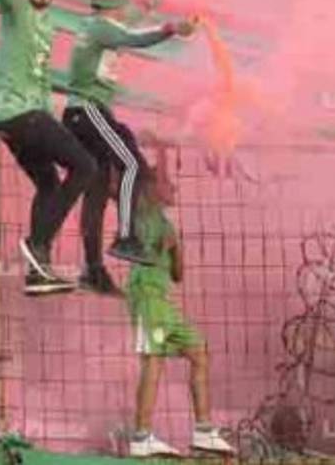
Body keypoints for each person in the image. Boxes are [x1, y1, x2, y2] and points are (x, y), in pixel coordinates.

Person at [63, 0, 198, 294]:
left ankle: (93, 269)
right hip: (89, 110)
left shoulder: (99, 26)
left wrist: (149, 6)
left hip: (84, 114)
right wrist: (171, 29)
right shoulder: (102, 28)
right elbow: (135, 38)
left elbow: (128, 27)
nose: (125, 11)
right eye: (122, 5)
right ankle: (125, 239)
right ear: (113, 5)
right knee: (133, 164)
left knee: (96, 191)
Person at [0, 0, 96, 296]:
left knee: (48, 183)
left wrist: (57, 116)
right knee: (86, 166)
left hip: (25, 117)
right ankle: (37, 247)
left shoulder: (49, 25)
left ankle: (37, 273)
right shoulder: (15, 8)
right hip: (17, 113)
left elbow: (43, 77)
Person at [125, 145, 234, 457]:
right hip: (146, 297)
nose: (174, 188)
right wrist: (160, 147)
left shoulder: (169, 226)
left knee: (199, 352)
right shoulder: (144, 210)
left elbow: (178, 275)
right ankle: (142, 436)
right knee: (153, 361)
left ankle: (203, 431)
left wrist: (176, 249)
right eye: (169, 184)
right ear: (154, 189)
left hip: (164, 302)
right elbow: (153, 177)